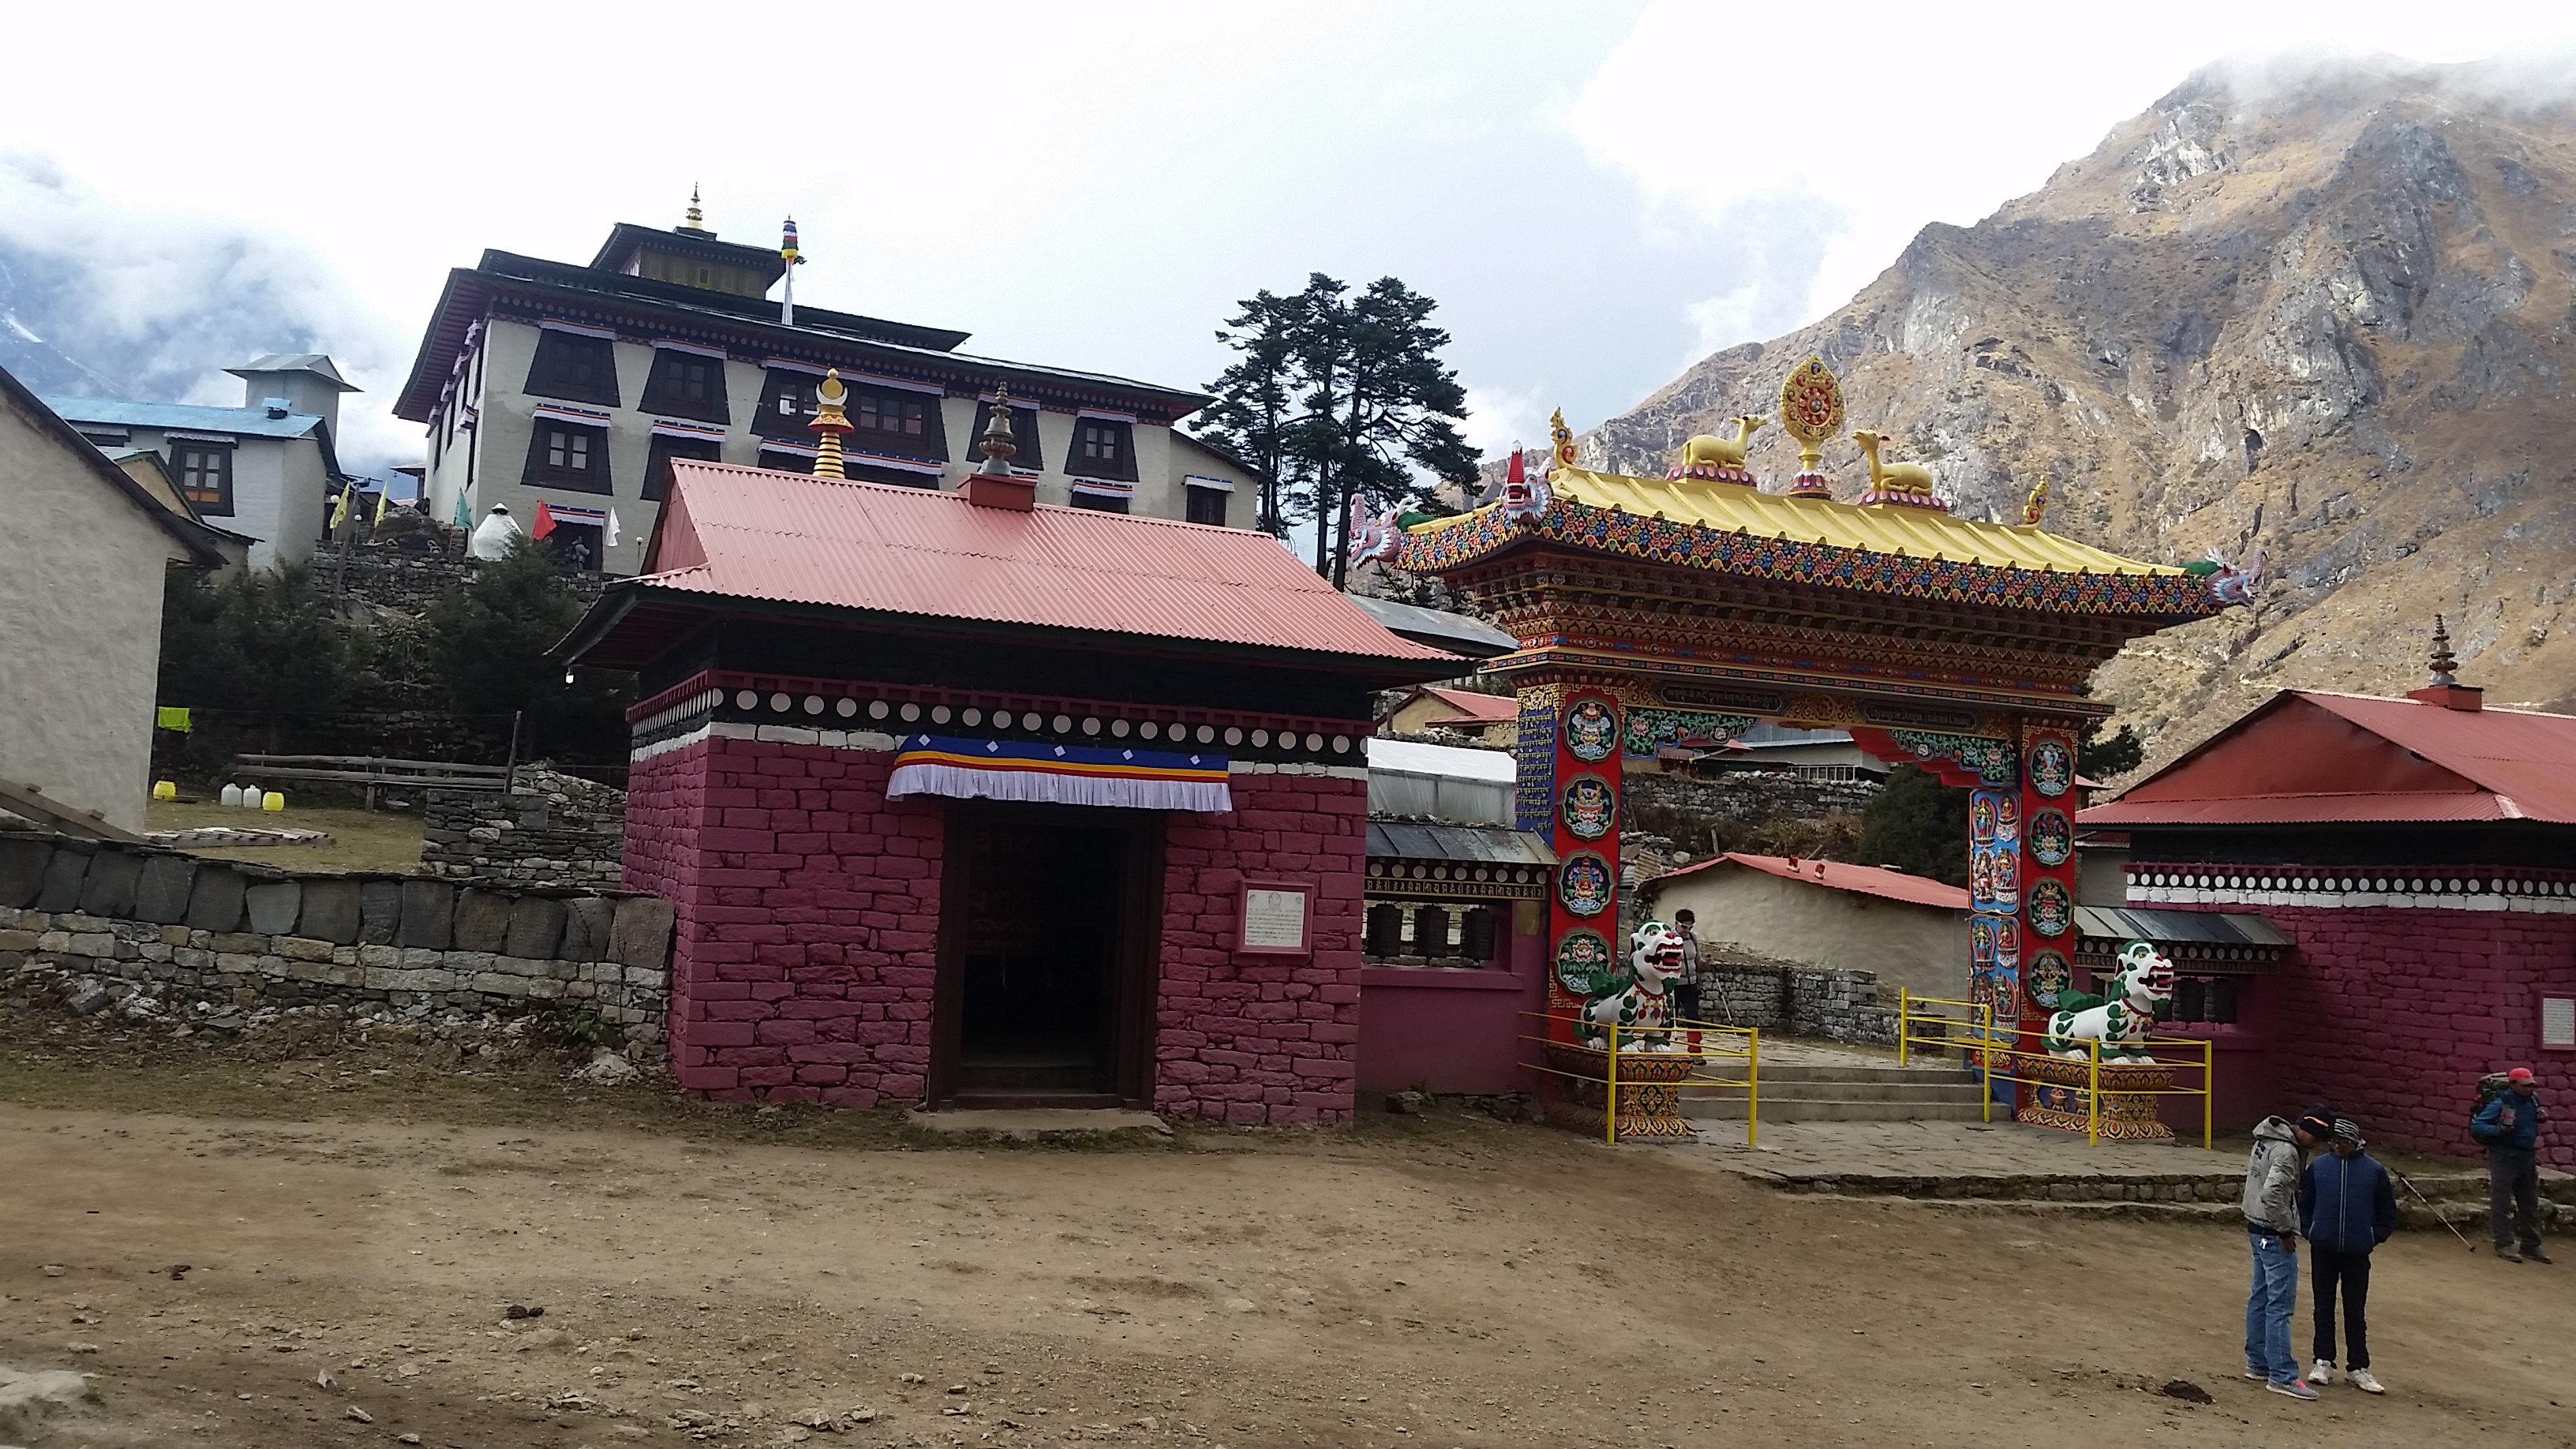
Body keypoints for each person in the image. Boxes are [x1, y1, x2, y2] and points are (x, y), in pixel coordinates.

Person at [2298, 1116, 2396, 1394]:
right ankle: (2323, 1360)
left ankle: (2358, 1367)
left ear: (2355, 1143)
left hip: (2356, 1251)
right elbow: (2305, 1204)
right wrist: (2311, 1231)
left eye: (2343, 1142)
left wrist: (2373, 1237)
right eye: (2334, 1141)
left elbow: (2387, 1211)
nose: (2337, 1146)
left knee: (2355, 1310)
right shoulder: (2319, 1168)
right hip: (2324, 1248)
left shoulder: (2373, 1171)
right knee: (2323, 1307)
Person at [2242, 1107, 2328, 1399]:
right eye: (2317, 1139)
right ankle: (2282, 1375)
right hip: (2272, 1231)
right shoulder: (2287, 1153)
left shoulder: (2265, 1138)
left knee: (2260, 1295)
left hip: (2255, 1225)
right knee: (2280, 1304)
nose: (2317, 1146)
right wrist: (2285, 1230)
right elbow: (2273, 1193)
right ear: (2308, 1131)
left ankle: (2258, 1362)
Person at [2472, 1066, 2552, 1263]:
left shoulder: (2533, 1100)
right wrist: (2500, 1131)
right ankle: (2504, 1243)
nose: (2529, 1088)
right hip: (2504, 1156)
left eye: (2531, 1085)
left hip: (2526, 1156)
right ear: (2513, 1084)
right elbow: (2478, 1125)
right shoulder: (2500, 1102)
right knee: (2502, 1201)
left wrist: (2541, 1116)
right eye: (2524, 1085)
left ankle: (2531, 1245)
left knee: (2529, 1202)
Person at [1668, 909, 1703, 1023]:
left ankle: (1694, 1040)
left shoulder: (1692, 938)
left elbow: (1697, 959)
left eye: (1690, 927)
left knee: (1693, 1016)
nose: (1687, 930)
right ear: (1676, 923)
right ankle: (1664, 1038)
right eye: (1684, 927)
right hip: (1674, 984)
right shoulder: (1668, 938)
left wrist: (1706, 964)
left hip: (1691, 984)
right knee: (1670, 1016)